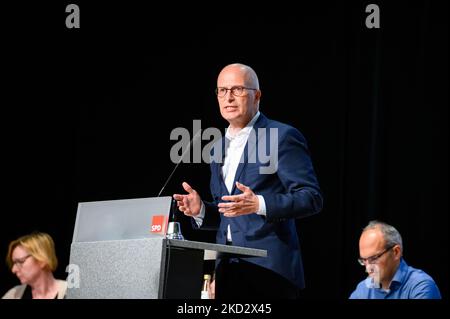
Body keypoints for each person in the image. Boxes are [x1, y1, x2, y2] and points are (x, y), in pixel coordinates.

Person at [173, 63, 323, 299]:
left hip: (269, 271)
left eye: (237, 90)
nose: (228, 98)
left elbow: (311, 197)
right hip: (227, 272)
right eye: (222, 90)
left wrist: (259, 204)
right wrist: (201, 210)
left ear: (257, 95)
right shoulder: (218, 147)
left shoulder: (282, 137)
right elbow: (229, 214)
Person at [350, 220, 441, 299]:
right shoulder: (363, 289)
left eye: (373, 258)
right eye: (364, 260)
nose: (368, 268)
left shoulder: (421, 285)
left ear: (396, 252)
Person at [2, 232, 67, 299]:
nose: (13, 270)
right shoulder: (14, 295)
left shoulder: (69, 292)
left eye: (20, 261)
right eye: (14, 263)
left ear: (42, 259)